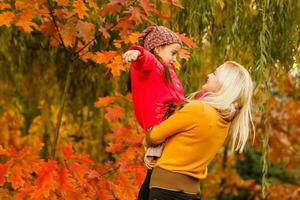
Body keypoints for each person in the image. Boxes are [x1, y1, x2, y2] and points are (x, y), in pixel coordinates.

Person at [144, 61, 255, 200]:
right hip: (192, 193)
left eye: (215, 74)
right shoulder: (225, 121)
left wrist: (148, 137)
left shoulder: (198, 109)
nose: (209, 75)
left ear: (224, 84)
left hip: (166, 188)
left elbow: (154, 136)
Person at [122, 26, 186, 200]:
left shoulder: (166, 69)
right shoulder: (153, 66)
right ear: (158, 48)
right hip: (160, 126)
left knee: (153, 176)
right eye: (173, 53)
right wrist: (137, 54)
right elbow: (146, 59)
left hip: (165, 125)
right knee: (157, 170)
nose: (174, 58)